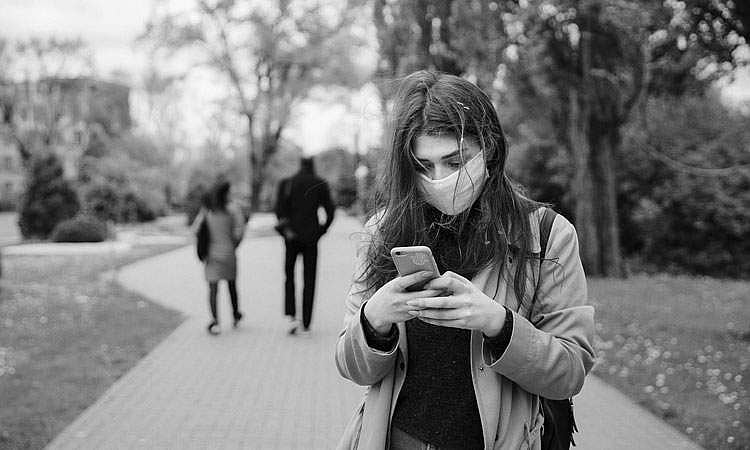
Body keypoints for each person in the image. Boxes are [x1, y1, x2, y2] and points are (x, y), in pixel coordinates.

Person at [335, 71, 596, 450]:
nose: (439, 179)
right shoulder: (384, 231)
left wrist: (498, 324)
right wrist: (374, 320)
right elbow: (351, 367)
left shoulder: (546, 234)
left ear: (489, 149)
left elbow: (570, 372)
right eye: (423, 166)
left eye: (455, 162)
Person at [275, 157, 335, 336]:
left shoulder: (287, 183)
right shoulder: (319, 183)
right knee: (310, 279)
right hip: (311, 238)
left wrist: (287, 229)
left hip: (291, 237)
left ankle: (292, 316)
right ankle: (306, 322)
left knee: (289, 276)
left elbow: (279, 210)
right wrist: (321, 230)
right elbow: (330, 211)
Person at [193, 181, 245, 335]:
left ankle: (215, 322)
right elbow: (239, 232)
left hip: (212, 255)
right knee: (232, 286)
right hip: (229, 253)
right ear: (226, 193)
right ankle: (235, 314)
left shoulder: (207, 211)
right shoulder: (233, 210)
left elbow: (196, 229)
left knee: (213, 289)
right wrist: (234, 244)